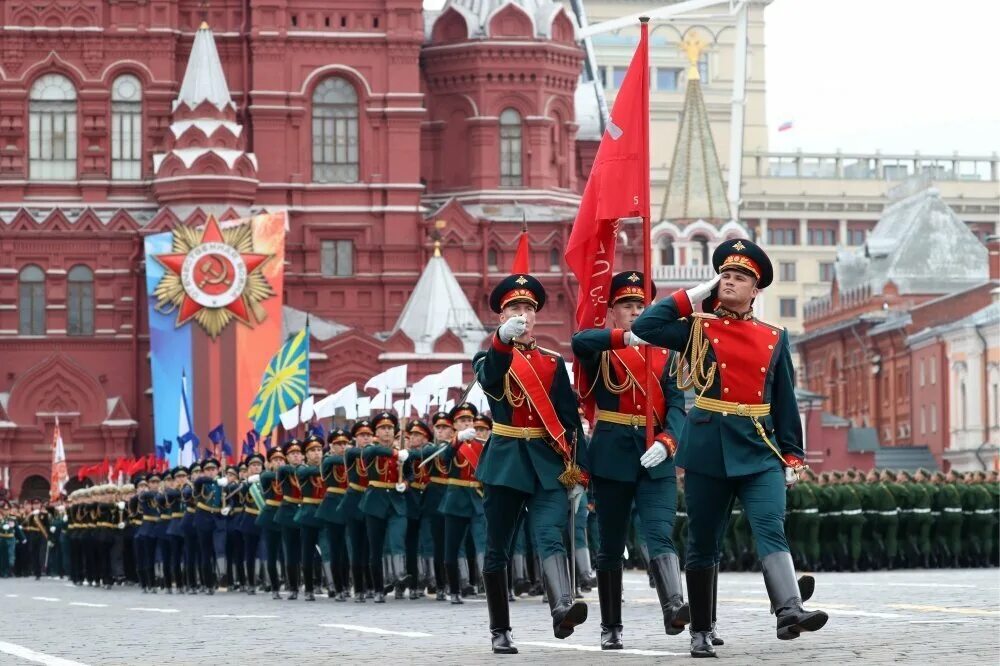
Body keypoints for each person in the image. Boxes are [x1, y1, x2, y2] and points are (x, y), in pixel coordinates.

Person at [632, 238, 827, 657]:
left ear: (756, 290)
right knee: (704, 540)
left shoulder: (774, 337)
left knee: (770, 524)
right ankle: (700, 630)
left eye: (740, 277)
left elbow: (785, 399)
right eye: (725, 276)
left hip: (759, 447)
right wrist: (691, 296)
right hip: (708, 447)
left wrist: (793, 453)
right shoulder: (698, 329)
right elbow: (645, 327)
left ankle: (789, 610)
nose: (730, 282)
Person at [571, 270, 689, 649]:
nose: (636, 311)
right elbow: (578, 342)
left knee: (659, 533)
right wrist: (625, 338)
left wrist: (669, 440)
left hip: (656, 455)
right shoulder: (602, 349)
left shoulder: (667, 355)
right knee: (610, 543)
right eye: (627, 305)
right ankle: (610, 626)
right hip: (612, 455)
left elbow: (677, 406)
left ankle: (674, 606)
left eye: (641, 305)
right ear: (612, 312)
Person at [474, 272, 588, 654]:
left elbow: (570, 422)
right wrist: (502, 343)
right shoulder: (488, 357)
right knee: (498, 548)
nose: (522, 314)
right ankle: (500, 629)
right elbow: (490, 377)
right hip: (506, 462)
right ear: (501, 316)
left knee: (550, 535)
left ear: (537, 315)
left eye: (527, 308)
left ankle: (561, 608)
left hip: (546, 463)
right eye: (514, 308)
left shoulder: (554, 363)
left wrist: (578, 473)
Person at [360, 411, 410, 603]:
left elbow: (410, 474)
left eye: (390, 428)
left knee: (397, 540)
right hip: (375, 502)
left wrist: (405, 484)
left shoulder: (402, 452)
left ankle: (399, 577)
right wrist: (396, 453)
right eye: (383, 428)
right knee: (376, 547)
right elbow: (372, 453)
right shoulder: (371, 449)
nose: (387, 432)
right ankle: (378, 588)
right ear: (376, 433)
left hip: (397, 502)